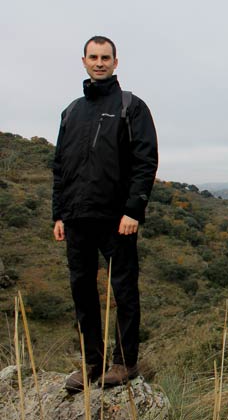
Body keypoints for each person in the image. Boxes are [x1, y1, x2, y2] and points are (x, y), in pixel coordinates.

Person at [52, 36, 158, 392]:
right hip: (77, 218)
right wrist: (59, 214)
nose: (99, 63)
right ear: (83, 61)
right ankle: (91, 364)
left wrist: (133, 210)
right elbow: (60, 168)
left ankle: (124, 362)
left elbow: (146, 161)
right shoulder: (71, 112)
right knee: (82, 291)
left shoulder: (132, 106)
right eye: (93, 57)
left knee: (124, 291)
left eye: (105, 57)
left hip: (118, 221)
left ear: (116, 62)